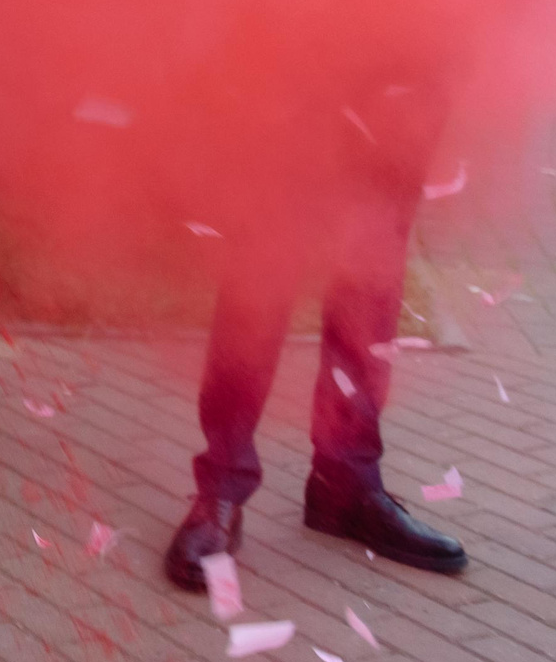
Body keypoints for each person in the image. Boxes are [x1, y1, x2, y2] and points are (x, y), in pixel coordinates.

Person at [162, 81, 469, 593]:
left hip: (409, 57)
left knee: (372, 273)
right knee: (263, 262)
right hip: (304, 49)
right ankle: (222, 484)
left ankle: (344, 485)